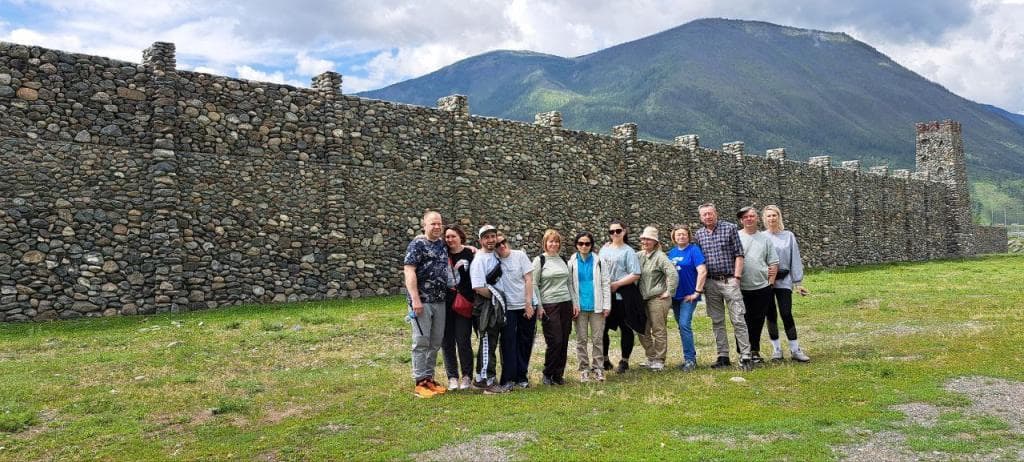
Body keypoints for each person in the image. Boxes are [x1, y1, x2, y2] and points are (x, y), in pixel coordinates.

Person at [694, 203, 753, 371]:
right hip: (710, 283)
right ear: (701, 217)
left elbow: (739, 254)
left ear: (716, 213)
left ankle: (745, 355)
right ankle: (723, 356)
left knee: (738, 319)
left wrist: (737, 277)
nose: (708, 216)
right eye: (704, 214)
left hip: (729, 280)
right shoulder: (699, 235)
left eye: (710, 213)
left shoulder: (730, 228)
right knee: (717, 320)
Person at [403, 211, 452, 398]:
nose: (437, 227)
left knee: (435, 341)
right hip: (422, 302)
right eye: (433, 224)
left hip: (440, 301)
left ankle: (429, 378)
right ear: (424, 225)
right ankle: (420, 381)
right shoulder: (417, 245)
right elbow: (409, 271)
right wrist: (415, 299)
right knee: (421, 341)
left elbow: (458, 245)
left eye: (439, 223)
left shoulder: (442, 244)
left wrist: (471, 248)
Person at [762, 205, 811, 362]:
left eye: (774, 215)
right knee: (770, 315)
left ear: (779, 217)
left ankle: (795, 349)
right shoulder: (761, 237)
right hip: (766, 281)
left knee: (786, 313)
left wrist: (798, 282)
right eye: (768, 216)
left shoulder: (788, 236)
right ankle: (776, 350)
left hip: (784, 280)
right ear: (764, 219)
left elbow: (794, 258)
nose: (772, 218)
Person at [487, 233, 535, 394]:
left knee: (525, 341)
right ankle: (508, 378)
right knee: (508, 342)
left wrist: (529, 304)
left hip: (524, 305)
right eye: (497, 244)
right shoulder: (494, 259)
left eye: (503, 242)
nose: (501, 245)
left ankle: (522, 377)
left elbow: (529, 279)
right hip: (506, 308)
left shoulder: (520, 255)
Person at [600, 220, 644, 374]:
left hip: (623, 295)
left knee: (626, 328)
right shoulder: (604, 249)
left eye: (618, 231)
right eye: (611, 231)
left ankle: (624, 361)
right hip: (607, 295)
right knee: (603, 328)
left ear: (624, 231)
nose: (615, 234)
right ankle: (605, 359)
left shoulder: (628, 251)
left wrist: (617, 284)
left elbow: (636, 274)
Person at [736, 206, 779, 364]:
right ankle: (743, 352)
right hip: (740, 287)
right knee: (742, 321)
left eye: (752, 216)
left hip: (762, 287)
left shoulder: (765, 239)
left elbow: (773, 262)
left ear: (757, 218)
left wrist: (770, 283)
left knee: (758, 320)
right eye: (745, 217)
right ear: (741, 220)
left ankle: (754, 351)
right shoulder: (736, 237)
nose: (749, 219)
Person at [532, 229, 575, 385]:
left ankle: (558, 375)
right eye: (551, 241)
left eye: (556, 241)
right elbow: (534, 284)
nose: (554, 244)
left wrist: (574, 303)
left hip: (566, 303)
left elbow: (569, 283)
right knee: (555, 340)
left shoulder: (563, 260)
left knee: (564, 340)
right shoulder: (540, 260)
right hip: (549, 304)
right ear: (545, 243)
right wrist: (539, 306)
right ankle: (547, 373)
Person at [567, 231, 611, 382]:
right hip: (579, 307)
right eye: (581, 243)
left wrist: (606, 305)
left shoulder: (599, 261)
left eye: (587, 243)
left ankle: (598, 368)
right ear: (576, 245)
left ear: (591, 245)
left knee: (597, 339)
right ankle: (584, 368)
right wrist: (573, 304)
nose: (584, 246)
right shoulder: (571, 262)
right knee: (581, 339)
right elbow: (570, 285)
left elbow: (605, 283)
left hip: (597, 306)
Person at [636, 226, 678, 371]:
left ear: (655, 242)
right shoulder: (639, 255)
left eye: (648, 239)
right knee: (641, 329)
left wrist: (669, 291)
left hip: (657, 298)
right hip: (642, 298)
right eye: (643, 239)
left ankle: (659, 360)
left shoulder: (660, 257)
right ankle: (651, 356)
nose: (645, 242)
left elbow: (672, 274)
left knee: (658, 329)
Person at [667, 226, 707, 371]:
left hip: (688, 296)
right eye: (678, 235)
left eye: (684, 234)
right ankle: (688, 358)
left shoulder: (694, 250)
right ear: (674, 237)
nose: (681, 237)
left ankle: (690, 360)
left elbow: (702, 271)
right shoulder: (672, 253)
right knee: (681, 326)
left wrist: (697, 292)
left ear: (688, 236)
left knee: (684, 324)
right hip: (675, 296)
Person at [442, 224, 475, 390]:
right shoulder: (442, 252)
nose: (450, 239)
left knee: (463, 340)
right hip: (445, 304)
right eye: (447, 237)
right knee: (447, 341)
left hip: (464, 303)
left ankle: (467, 376)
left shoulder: (470, 253)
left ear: (460, 236)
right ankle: (452, 377)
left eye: (453, 236)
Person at [469, 224, 501, 389]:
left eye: (493, 236)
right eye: (486, 237)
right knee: (487, 341)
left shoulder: (495, 254)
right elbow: (478, 286)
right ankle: (486, 379)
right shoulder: (479, 259)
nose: (490, 240)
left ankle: (484, 377)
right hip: (485, 307)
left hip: (494, 305)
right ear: (481, 240)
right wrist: (498, 298)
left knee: (492, 341)